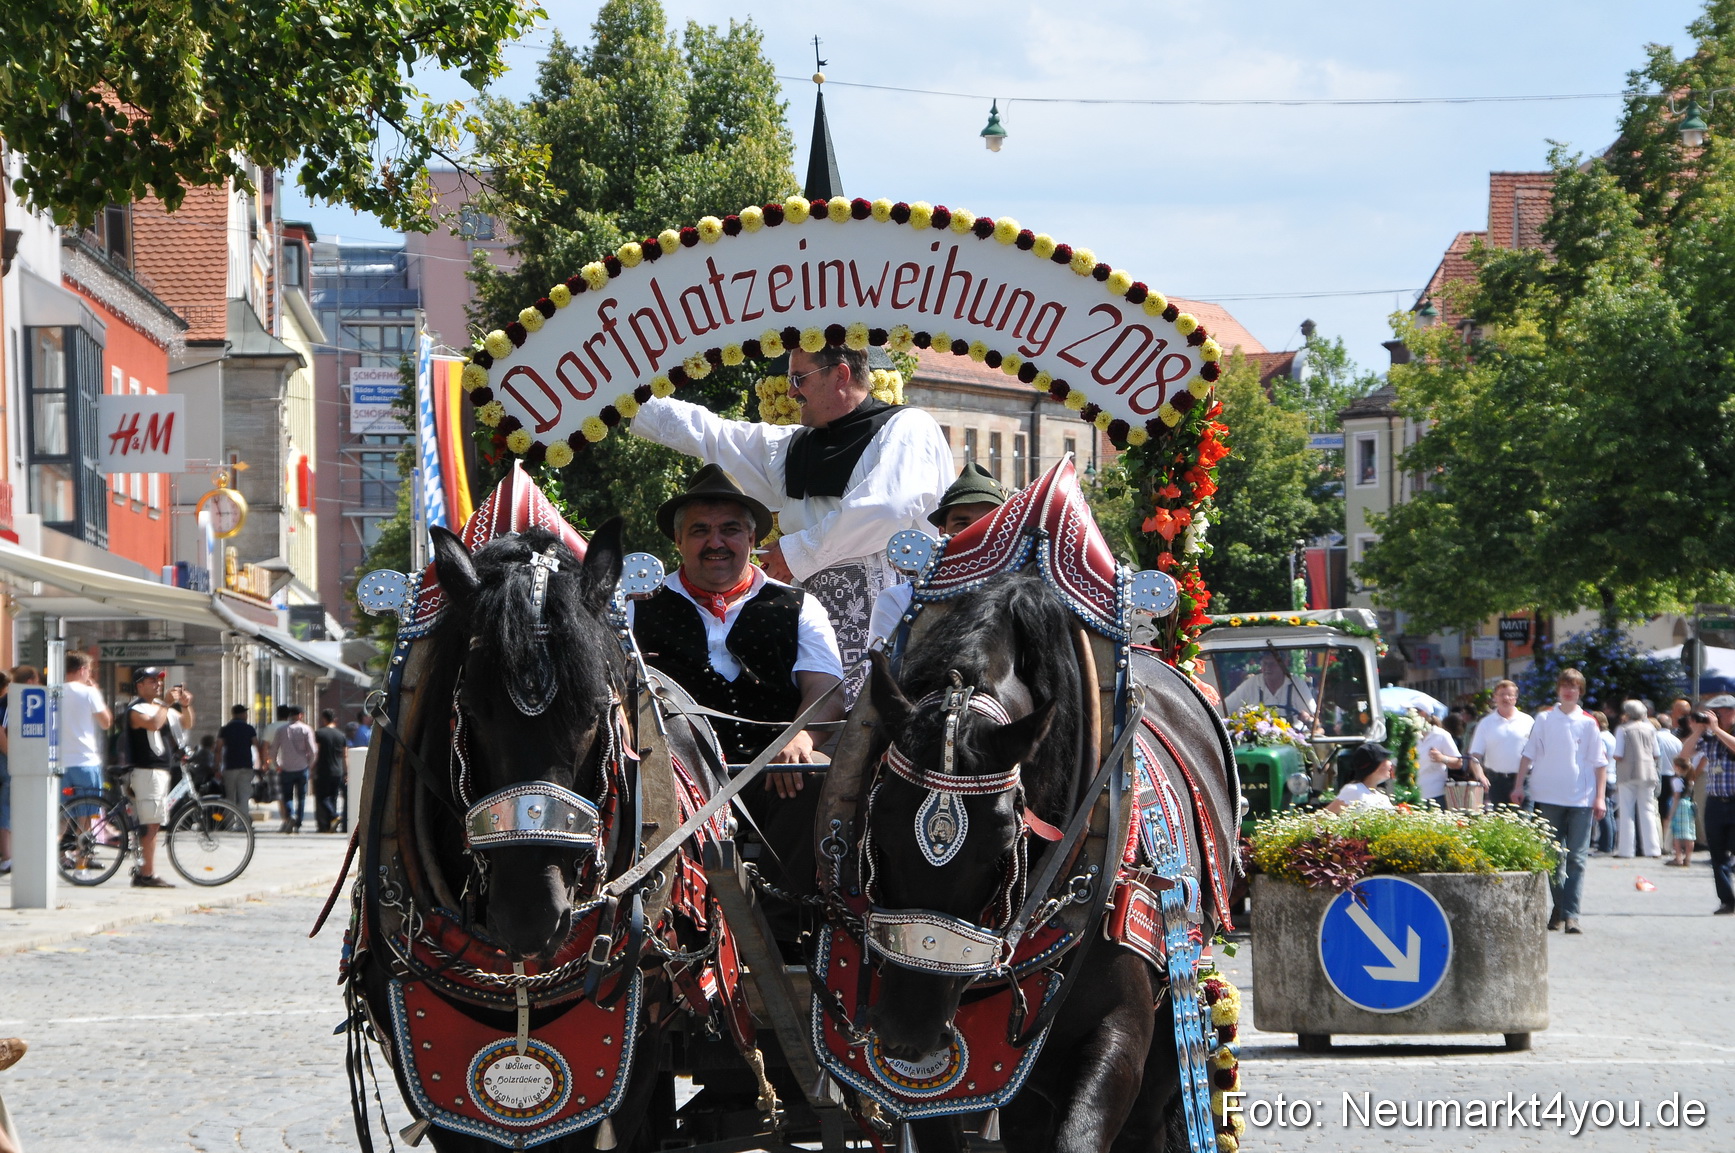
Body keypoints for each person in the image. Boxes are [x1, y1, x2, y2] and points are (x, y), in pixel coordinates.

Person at [631, 345, 951, 696]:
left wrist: (796, 552)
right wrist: (625, 400)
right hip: (811, 641)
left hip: (895, 634)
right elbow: (711, 434)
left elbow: (886, 509)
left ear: (840, 375)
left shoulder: (907, 426)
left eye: (799, 378)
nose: (791, 392)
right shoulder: (793, 446)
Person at [628, 466, 845, 802]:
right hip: (668, 776)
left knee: (818, 775)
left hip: (774, 774)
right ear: (678, 540)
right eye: (700, 530)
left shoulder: (799, 605)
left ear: (752, 539)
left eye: (730, 530)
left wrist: (800, 737)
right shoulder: (636, 605)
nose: (716, 543)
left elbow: (826, 689)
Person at [868, 462, 1008, 645]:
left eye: (987, 523)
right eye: (962, 524)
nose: (975, 534)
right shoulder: (898, 601)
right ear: (942, 532)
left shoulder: (1027, 596)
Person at [1512, 668, 1608, 934]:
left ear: (1580, 691)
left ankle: (1571, 914)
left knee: (1577, 858)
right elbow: (1528, 753)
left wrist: (1600, 797)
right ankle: (1561, 907)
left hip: (1581, 798)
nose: (1569, 691)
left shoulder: (1588, 722)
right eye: (1565, 686)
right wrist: (1519, 785)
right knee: (1553, 858)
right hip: (1548, 795)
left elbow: (1600, 763)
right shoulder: (1544, 718)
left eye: (1574, 687)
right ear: (1558, 689)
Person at [126, 668, 193, 887]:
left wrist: (185, 705)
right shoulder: (136, 709)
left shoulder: (161, 708)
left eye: (159, 681)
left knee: (153, 822)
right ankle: (147, 874)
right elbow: (153, 724)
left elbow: (186, 723)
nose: (158, 684)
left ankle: (144, 869)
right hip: (147, 771)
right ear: (140, 685)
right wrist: (166, 703)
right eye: (152, 681)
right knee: (151, 824)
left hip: (160, 771)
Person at [1681, 695, 1735, 914]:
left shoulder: (1723, 733)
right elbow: (1684, 755)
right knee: (1717, 854)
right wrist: (1697, 731)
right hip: (1715, 801)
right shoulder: (1709, 737)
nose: (1713, 716)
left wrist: (1717, 729)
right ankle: (1727, 901)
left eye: (1717, 712)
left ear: (1731, 711)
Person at [1469, 679, 1534, 808]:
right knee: (1501, 821)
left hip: (1524, 781)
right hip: (1496, 782)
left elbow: (1537, 752)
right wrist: (1480, 775)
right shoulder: (1485, 723)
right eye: (1502, 694)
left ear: (1515, 698)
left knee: (1525, 820)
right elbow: (1475, 755)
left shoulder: (1528, 721)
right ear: (1495, 697)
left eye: (1510, 695)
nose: (1506, 698)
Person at [58, 652, 113, 802]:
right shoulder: (89, 692)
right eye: (89, 670)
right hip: (85, 760)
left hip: (60, 763)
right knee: (89, 811)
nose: (90, 675)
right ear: (82, 670)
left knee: (63, 811)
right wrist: (96, 692)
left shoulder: (53, 692)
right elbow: (106, 723)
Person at [1611, 700, 1663, 858]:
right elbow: (1656, 754)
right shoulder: (1651, 728)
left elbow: (1618, 754)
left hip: (1628, 772)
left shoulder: (1622, 729)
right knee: (1648, 810)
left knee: (1626, 810)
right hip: (1648, 772)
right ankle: (1653, 849)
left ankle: (1626, 850)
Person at [1221, 650, 1315, 724]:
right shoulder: (1251, 684)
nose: (1268, 668)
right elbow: (1223, 709)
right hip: (1257, 741)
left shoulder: (1297, 684)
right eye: (1265, 663)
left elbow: (1313, 717)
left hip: (1293, 739)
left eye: (1272, 664)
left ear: (1284, 664)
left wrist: (1307, 718)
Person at [270, 705, 316, 834]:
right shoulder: (306, 729)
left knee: (287, 796)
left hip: (286, 768)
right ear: (301, 715)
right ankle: (298, 823)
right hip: (302, 767)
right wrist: (310, 765)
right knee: (301, 797)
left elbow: (273, 750)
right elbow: (313, 751)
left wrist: (276, 765)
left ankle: (291, 816)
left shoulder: (281, 730)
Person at [215, 704, 264, 821]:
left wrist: (217, 767)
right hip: (246, 766)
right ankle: (243, 823)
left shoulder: (225, 729)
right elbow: (257, 745)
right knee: (244, 797)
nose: (246, 715)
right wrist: (261, 763)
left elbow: (218, 749)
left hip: (229, 766)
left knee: (229, 797)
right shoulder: (249, 729)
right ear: (242, 714)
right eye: (245, 713)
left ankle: (229, 823)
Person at [1413, 708, 1471, 807]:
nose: (1407, 714)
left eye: (1410, 711)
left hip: (1436, 795)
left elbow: (1458, 763)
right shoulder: (1407, 735)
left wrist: (1442, 758)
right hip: (1411, 795)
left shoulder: (1441, 735)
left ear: (1423, 713)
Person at [1325, 743, 1396, 813]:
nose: (1390, 763)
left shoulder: (1383, 798)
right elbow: (1324, 815)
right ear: (1375, 765)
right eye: (1385, 759)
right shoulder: (1354, 790)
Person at [313, 709, 348, 833]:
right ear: (335, 720)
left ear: (324, 719)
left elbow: (316, 753)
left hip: (324, 769)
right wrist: (346, 772)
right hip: (338, 770)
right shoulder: (341, 735)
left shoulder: (319, 734)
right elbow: (345, 755)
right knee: (333, 797)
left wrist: (312, 767)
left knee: (322, 797)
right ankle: (330, 826)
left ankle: (334, 816)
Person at [1591, 710, 1619, 854]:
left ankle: (1605, 845)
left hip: (1605, 776)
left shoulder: (1600, 738)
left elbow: (1600, 759)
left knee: (1604, 814)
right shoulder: (1611, 736)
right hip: (1612, 775)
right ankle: (1610, 843)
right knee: (1609, 812)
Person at [0, 670, 10, 876]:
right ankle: (7, 856)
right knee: (6, 807)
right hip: (4, 762)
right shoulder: (4, 706)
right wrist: (13, 756)